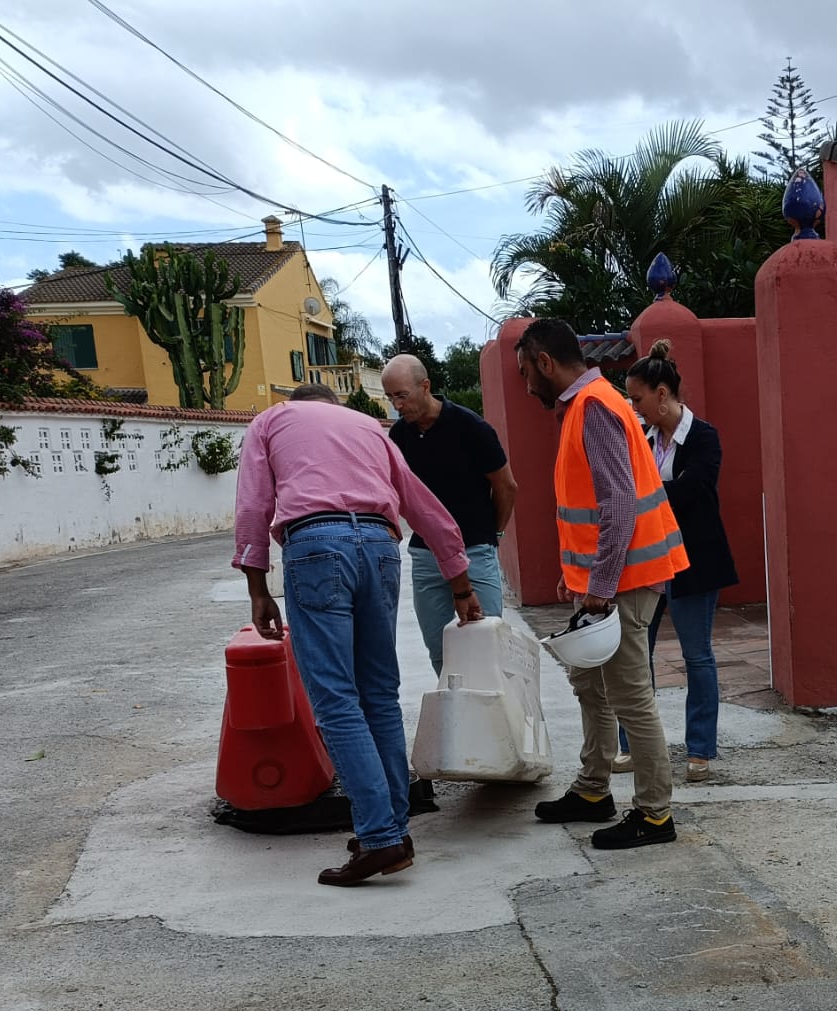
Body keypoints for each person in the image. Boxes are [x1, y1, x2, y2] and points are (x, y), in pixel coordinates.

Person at [234, 381, 481, 886]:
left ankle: (379, 837)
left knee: (337, 701)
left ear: (298, 403)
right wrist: (460, 583)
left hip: (316, 544)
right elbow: (421, 503)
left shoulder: (272, 420)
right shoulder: (371, 426)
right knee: (378, 696)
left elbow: (253, 504)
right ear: (332, 405)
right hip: (379, 544)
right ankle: (393, 828)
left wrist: (258, 586)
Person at [514, 319, 690, 850]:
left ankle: (655, 814)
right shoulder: (593, 403)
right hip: (615, 577)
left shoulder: (592, 407)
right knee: (592, 685)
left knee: (630, 695)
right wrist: (583, 578)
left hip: (625, 580)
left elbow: (616, 504)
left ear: (545, 363)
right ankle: (594, 790)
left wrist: (601, 586)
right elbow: (596, 505)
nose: (525, 385)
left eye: (526, 372)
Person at [625, 340, 738, 782]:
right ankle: (633, 745)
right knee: (635, 655)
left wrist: (644, 500)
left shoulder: (704, 436)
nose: (634, 407)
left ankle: (700, 749)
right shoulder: (643, 436)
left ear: (663, 394)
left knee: (697, 656)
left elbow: (693, 492)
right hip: (650, 559)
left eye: (637, 398)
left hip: (694, 560)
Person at [382, 353, 515, 674]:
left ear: (425, 386)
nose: (397, 405)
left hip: (474, 551)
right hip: (427, 557)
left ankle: (492, 719)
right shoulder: (399, 437)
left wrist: (491, 534)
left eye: (402, 395)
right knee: (438, 648)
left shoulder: (470, 427)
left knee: (486, 642)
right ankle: (455, 715)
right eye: (390, 398)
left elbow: (506, 485)